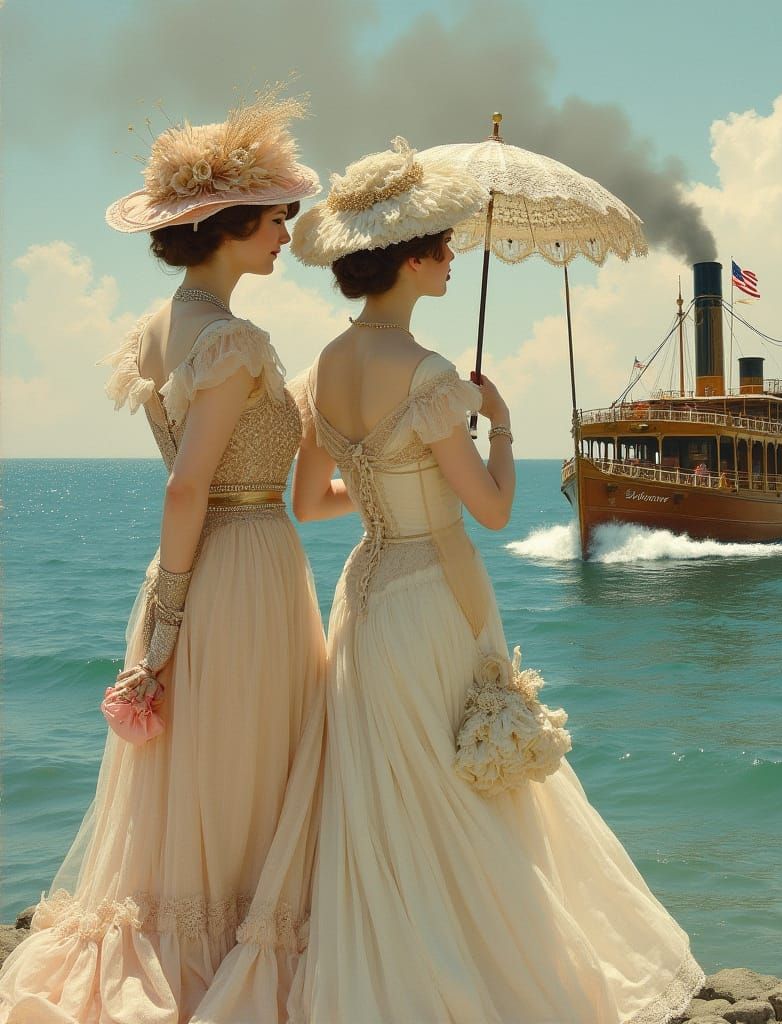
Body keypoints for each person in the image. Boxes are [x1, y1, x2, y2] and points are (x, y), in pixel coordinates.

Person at [286, 137, 704, 1023]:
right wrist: (501, 427)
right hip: (439, 594)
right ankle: (492, 978)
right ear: (407, 258)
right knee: (467, 783)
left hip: (364, 594)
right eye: (440, 245)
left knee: (394, 792)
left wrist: (392, 485)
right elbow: (497, 513)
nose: (450, 257)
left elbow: (312, 504)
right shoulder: (434, 377)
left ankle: (401, 971)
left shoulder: (321, 367)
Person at [0, 92, 329, 1024]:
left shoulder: (160, 331)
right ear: (229, 229)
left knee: (201, 780)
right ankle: (232, 967)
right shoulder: (231, 340)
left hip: (202, 569)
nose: (283, 238)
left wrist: (163, 611)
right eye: (274, 222)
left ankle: (208, 947)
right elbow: (188, 484)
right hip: (240, 566)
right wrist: (176, 619)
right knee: (246, 773)